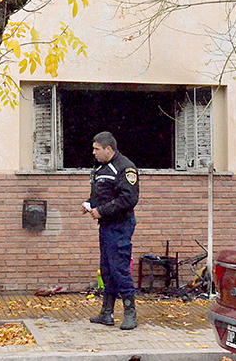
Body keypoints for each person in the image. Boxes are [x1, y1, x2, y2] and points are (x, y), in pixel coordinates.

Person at [82, 131, 139, 330]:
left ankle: (130, 314)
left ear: (109, 149)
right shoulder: (101, 168)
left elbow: (128, 199)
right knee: (106, 269)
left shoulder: (125, 167)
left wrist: (102, 211)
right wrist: (89, 204)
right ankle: (107, 313)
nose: (93, 152)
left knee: (120, 269)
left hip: (120, 225)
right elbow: (104, 195)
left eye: (97, 149)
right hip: (106, 225)